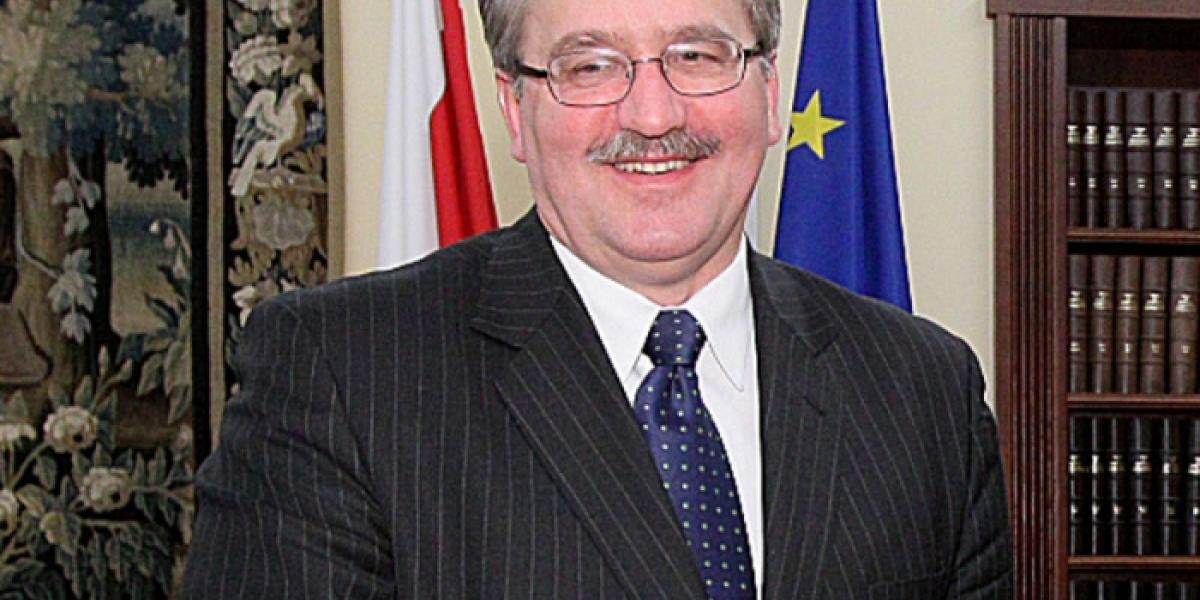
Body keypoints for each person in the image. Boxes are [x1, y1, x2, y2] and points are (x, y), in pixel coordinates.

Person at [183, 0, 1014, 597]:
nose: (652, 115)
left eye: (697, 55)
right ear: (515, 108)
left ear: (768, 92)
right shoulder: (346, 375)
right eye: (589, 66)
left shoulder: (923, 391)